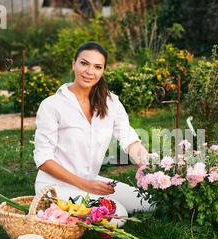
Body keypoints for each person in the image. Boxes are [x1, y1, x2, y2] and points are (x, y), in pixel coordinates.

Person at [33, 41, 151, 227]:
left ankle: (77, 212)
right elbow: (43, 160)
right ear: (74, 64)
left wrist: (151, 167)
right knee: (116, 215)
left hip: (90, 182)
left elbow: (129, 140)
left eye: (97, 67)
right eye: (84, 63)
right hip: (56, 187)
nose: (89, 71)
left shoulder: (111, 102)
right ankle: (57, 213)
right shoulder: (52, 105)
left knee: (147, 202)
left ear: (103, 70)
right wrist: (85, 185)